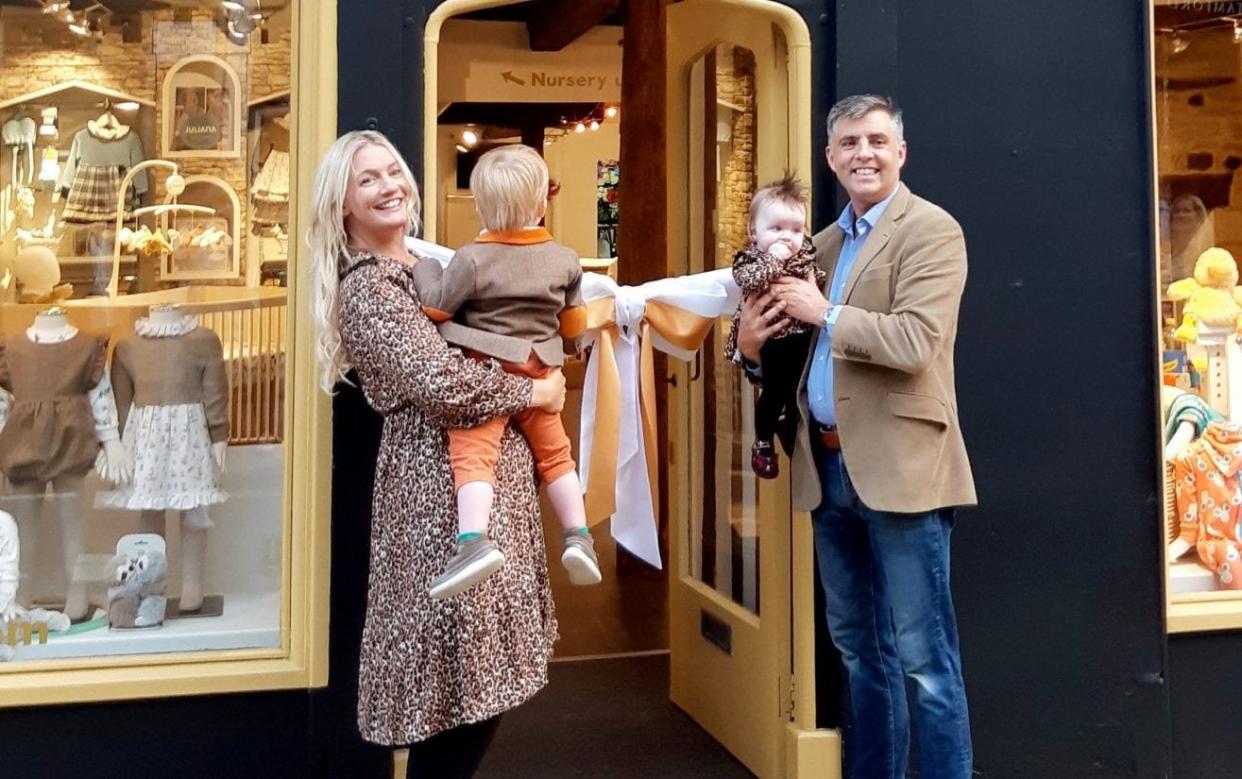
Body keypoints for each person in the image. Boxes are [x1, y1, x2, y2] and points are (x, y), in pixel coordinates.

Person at [308, 130, 566, 778]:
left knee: (478, 683)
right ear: (342, 204)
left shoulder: (426, 269)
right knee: (459, 689)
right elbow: (443, 384)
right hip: (436, 508)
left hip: (480, 492)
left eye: (392, 171)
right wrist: (536, 386)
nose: (388, 184)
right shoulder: (370, 287)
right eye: (367, 179)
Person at [737, 94, 977, 778]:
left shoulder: (932, 231)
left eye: (876, 140)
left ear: (900, 152)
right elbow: (787, 352)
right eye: (849, 143)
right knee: (859, 655)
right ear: (830, 158)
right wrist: (751, 350)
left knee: (926, 661)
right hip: (828, 472)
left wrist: (828, 311)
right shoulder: (822, 244)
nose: (863, 153)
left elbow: (917, 342)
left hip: (903, 470)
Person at [411, 144, 601, 600]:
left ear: (479, 205)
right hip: (540, 371)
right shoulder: (565, 259)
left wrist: (424, 268)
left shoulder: (472, 258)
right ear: (542, 204)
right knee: (557, 457)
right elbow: (574, 322)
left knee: (474, 454)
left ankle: (472, 541)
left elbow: (436, 306)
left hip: (488, 368)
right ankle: (579, 535)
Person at [723, 174, 824, 479]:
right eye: (776, 228)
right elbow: (748, 280)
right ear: (754, 232)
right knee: (772, 392)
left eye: (795, 229)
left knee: (794, 390)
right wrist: (774, 261)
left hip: (802, 338)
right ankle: (763, 440)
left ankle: (788, 424)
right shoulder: (751, 260)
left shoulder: (808, 253)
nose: (786, 238)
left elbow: (816, 279)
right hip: (772, 340)